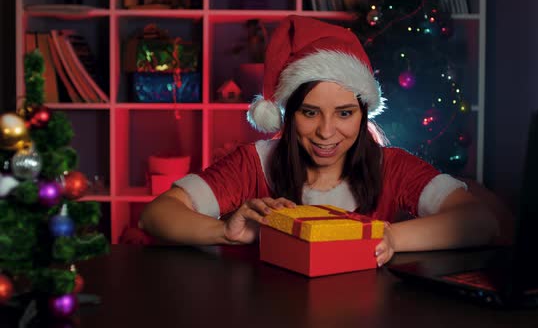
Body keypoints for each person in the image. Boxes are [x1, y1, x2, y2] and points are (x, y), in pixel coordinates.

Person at [140, 15, 501, 267]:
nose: (327, 133)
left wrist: (390, 239)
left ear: (363, 114)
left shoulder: (390, 164)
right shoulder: (254, 162)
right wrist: (225, 232)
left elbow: (480, 221)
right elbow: (155, 215)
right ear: (288, 113)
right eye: (310, 113)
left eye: (344, 113)